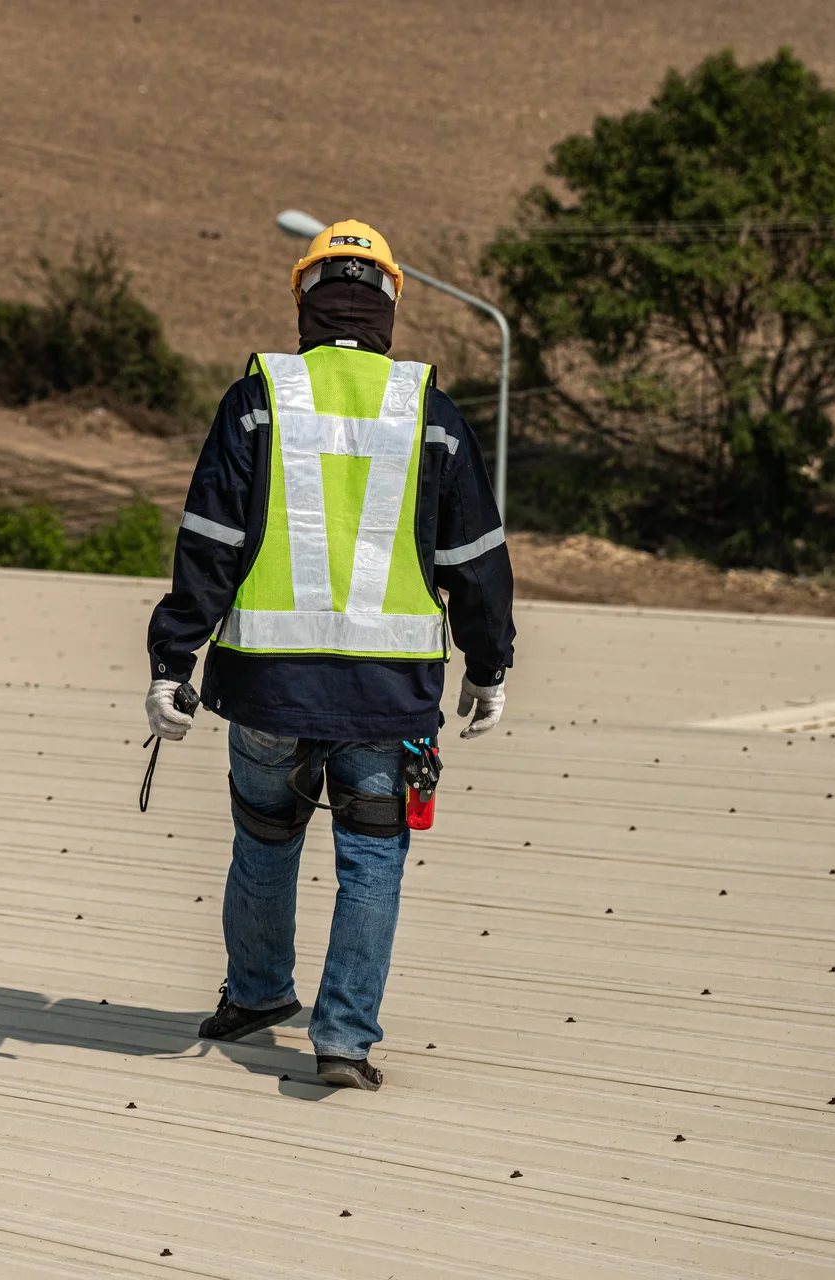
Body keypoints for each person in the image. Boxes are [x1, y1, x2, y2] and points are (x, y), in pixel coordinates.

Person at [144, 220, 514, 1091]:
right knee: (373, 855)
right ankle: (343, 1039)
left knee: (265, 841)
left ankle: (260, 994)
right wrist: (489, 668)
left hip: (269, 690)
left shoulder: (259, 400)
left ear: (304, 301)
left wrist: (173, 662)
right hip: (388, 699)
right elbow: (476, 564)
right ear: (391, 304)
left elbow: (209, 544)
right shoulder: (432, 412)